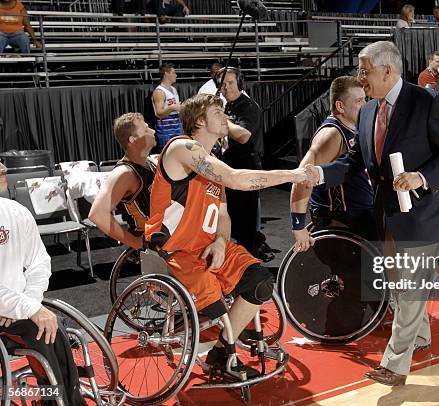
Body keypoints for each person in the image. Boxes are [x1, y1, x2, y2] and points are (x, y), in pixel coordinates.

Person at [308, 41, 439, 386]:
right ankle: (421, 337)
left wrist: (421, 177)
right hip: (385, 214)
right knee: (400, 283)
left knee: (410, 288)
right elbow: (352, 164)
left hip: (423, 212)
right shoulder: (367, 112)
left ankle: (395, 365)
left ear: (387, 70)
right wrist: (319, 174)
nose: (359, 77)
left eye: (364, 71)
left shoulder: (428, 102)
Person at [145, 93, 312, 375]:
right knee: (215, 303)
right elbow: (236, 179)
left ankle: (222, 351)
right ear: (199, 120)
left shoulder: (211, 162)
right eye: (218, 113)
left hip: (208, 246)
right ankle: (226, 342)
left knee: (259, 281)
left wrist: (222, 240)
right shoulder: (181, 148)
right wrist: (293, 174)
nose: (227, 118)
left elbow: (223, 215)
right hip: (177, 251)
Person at [0, 160, 86, 406]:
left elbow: (39, 261)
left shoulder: (15, 211)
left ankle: (61, 400)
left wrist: (30, 301)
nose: (4, 167)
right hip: (14, 308)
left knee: (50, 328)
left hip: (15, 309)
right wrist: (27, 307)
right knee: (43, 324)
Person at [290, 75, 375, 251]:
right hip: (341, 220)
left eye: (365, 99)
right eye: (359, 101)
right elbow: (302, 178)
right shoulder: (331, 134)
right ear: (340, 106)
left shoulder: (354, 128)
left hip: (361, 214)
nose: (365, 105)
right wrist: (298, 226)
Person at [89, 113, 157, 249]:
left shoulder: (149, 162)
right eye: (146, 129)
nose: (153, 131)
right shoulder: (124, 172)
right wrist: (134, 242)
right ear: (133, 139)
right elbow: (97, 214)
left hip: (164, 238)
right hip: (150, 246)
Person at [218, 67, 263, 255]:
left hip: (246, 168)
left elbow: (243, 136)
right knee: (233, 220)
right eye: (223, 84)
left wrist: (223, 121)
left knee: (245, 223)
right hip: (231, 168)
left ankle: (249, 264)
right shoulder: (228, 106)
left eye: (230, 83)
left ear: (240, 84)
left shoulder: (248, 106)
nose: (226, 88)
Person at [152, 62, 184, 149]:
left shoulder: (173, 89)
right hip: (166, 131)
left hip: (177, 127)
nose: (176, 75)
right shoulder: (159, 91)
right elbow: (159, 113)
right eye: (174, 73)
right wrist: (172, 107)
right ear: (166, 74)